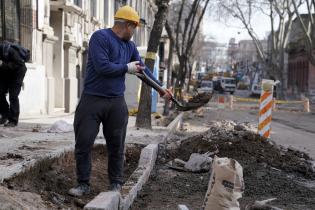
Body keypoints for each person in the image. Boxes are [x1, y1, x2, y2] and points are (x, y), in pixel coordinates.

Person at [68, 5, 172, 197]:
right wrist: (126, 67)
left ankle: (115, 184)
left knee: (117, 145)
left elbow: (142, 70)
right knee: (84, 143)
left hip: (116, 103)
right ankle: (83, 184)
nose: (134, 33)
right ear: (128, 25)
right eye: (135, 28)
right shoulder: (100, 38)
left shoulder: (130, 46)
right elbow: (102, 67)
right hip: (92, 100)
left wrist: (161, 89)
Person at [0, 41, 29, 127]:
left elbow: (19, 63)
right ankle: (5, 114)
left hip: (18, 73)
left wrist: (3, 65)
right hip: (6, 72)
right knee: (0, 92)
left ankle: (13, 120)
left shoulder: (9, 50)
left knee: (13, 96)